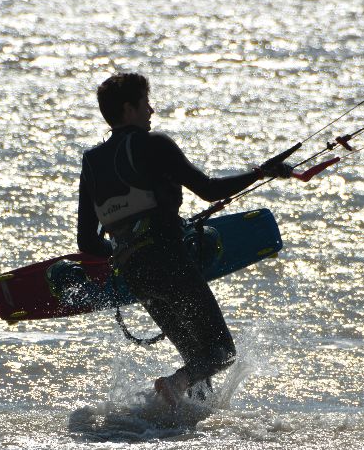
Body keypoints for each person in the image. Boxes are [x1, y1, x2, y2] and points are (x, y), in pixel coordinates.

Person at [77, 72, 292, 409]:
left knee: (196, 359)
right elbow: (208, 190)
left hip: (137, 274)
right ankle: (172, 386)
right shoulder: (154, 144)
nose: (152, 110)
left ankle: (183, 423)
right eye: (146, 103)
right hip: (170, 262)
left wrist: (123, 253)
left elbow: (87, 242)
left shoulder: (91, 164)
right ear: (129, 108)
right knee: (221, 352)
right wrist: (261, 173)